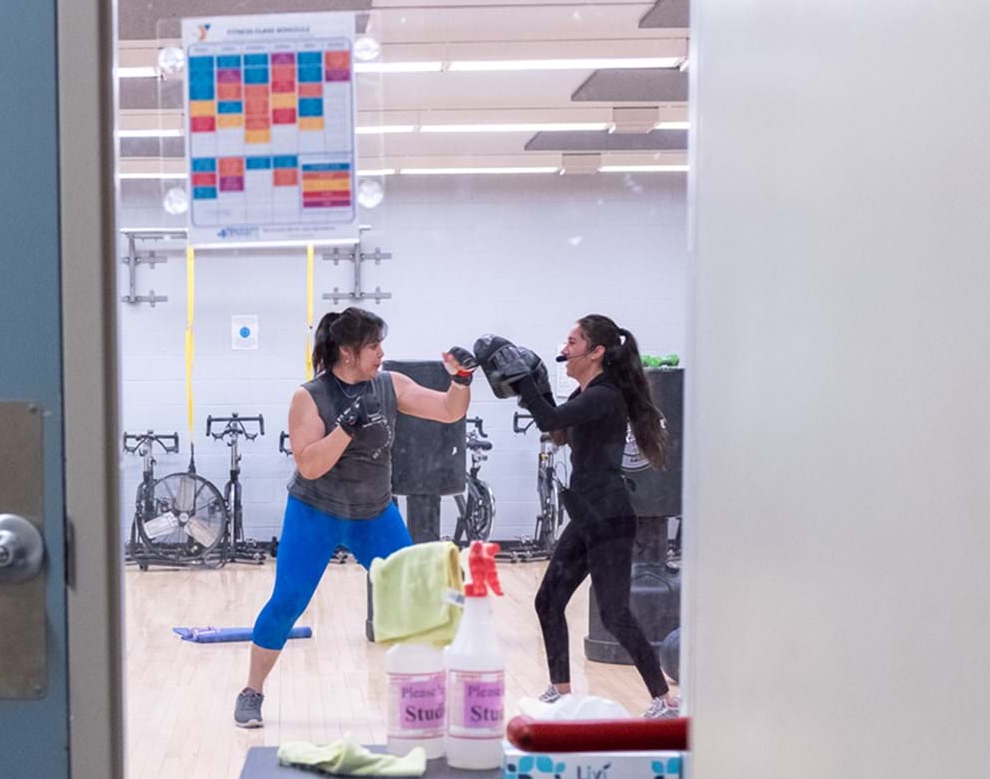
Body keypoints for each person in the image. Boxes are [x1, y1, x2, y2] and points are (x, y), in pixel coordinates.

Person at [233, 308, 473, 728]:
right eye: (374, 346)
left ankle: (427, 694)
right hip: (316, 511)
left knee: (417, 596)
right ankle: (252, 691)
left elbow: (449, 411)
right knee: (288, 601)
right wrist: (345, 428)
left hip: (373, 514)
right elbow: (310, 466)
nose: (381, 353)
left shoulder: (390, 384)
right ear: (347, 351)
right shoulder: (309, 396)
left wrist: (461, 380)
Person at [512, 314, 679, 717]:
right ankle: (561, 691)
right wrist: (535, 387)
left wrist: (522, 380)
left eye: (572, 342)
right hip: (588, 516)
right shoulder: (584, 394)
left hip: (609, 519)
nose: (564, 350)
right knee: (548, 600)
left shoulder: (605, 395)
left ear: (596, 352)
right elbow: (557, 430)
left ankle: (664, 700)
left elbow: (550, 420)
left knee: (614, 614)